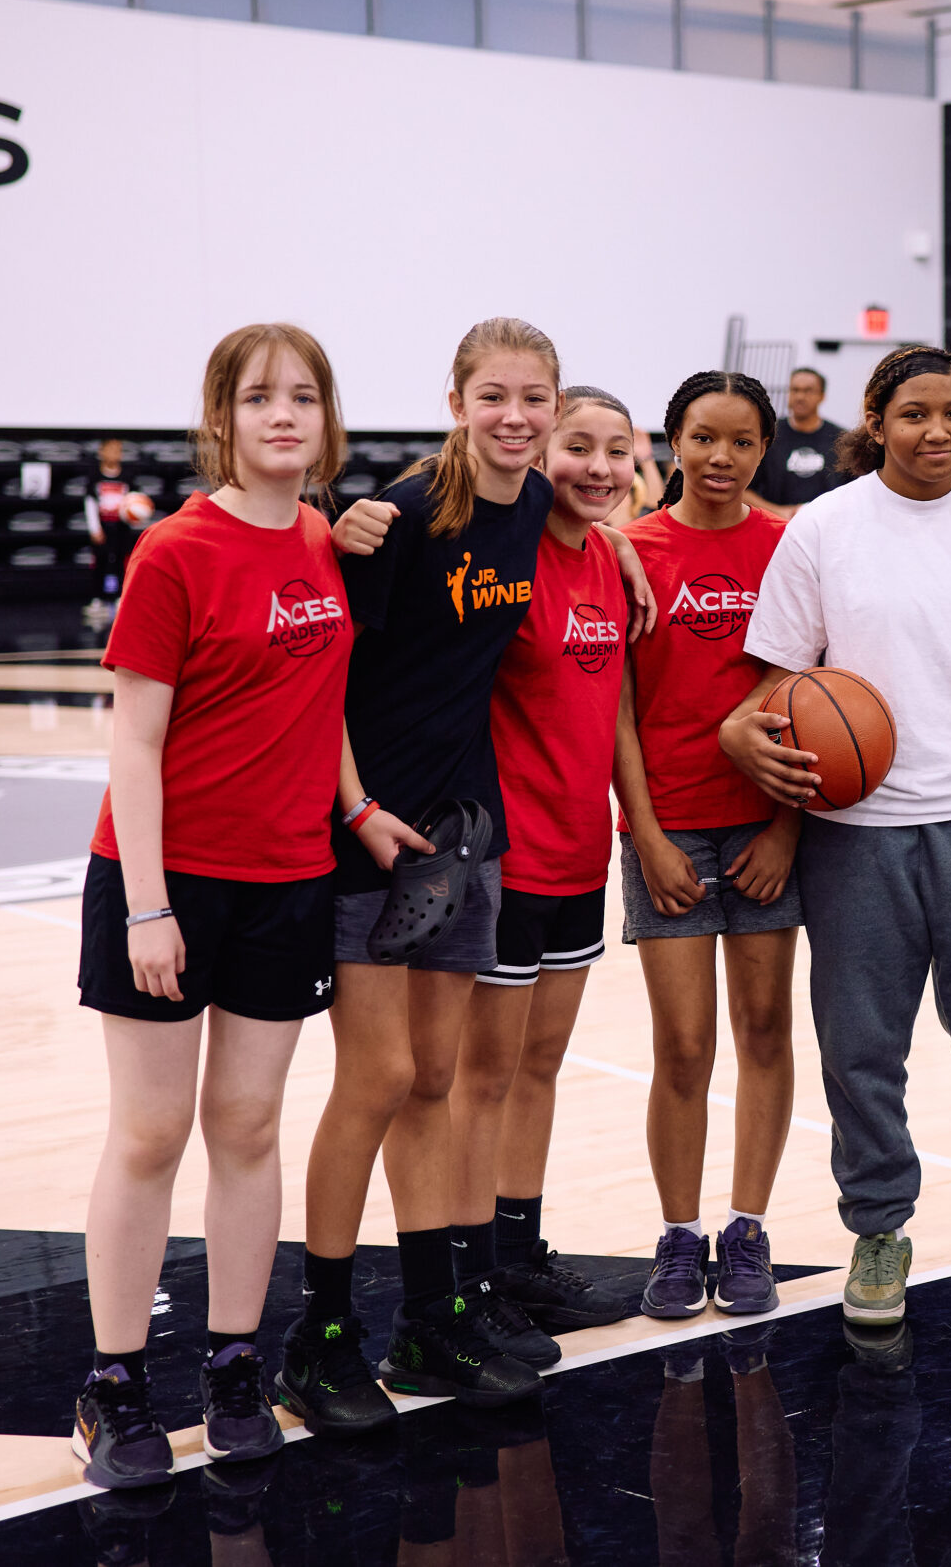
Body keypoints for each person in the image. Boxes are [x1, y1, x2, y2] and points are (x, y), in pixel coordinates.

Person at [280, 318, 585, 1431]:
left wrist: (634, 546)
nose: (517, 417)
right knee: (374, 1077)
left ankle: (427, 1315)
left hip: (467, 834)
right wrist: (355, 809)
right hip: (370, 835)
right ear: (456, 399)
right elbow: (322, 674)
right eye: (495, 395)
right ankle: (317, 1335)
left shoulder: (540, 504)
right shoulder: (400, 519)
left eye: (535, 398)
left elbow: (601, 529)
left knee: (433, 1077)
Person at [721, 344, 951, 1327]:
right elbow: (779, 689)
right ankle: (878, 1230)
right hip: (854, 837)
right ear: (875, 420)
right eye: (915, 412)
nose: (938, 431)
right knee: (861, 1050)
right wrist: (749, 751)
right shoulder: (823, 530)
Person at [68, 323, 355, 1489]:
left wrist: (360, 805)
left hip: (289, 878)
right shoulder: (175, 553)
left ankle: (235, 1367)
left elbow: (320, 697)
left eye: (303, 397)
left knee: (246, 1128)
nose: (282, 415)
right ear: (221, 420)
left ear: (326, 421)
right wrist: (147, 908)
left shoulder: (328, 541)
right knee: (150, 1133)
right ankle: (115, 1382)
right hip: (165, 881)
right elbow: (132, 745)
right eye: (258, 398)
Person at [441, 385, 645, 1343]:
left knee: (541, 1068)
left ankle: (517, 1256)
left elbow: (615, 718)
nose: (597, 468)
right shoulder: (503, 558)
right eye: (578, 447)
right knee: (482, 1076)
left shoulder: (609, 557)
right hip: (506, 857)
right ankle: (467, 1273)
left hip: (580, 851)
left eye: (617, 450)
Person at [615, 372, 804, 1319]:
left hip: (766, 823)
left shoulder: (789, 545)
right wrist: (644, 834)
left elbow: (811, 689)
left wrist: (783, 826)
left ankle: (747, 1229)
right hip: (671, 826)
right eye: (702, 439)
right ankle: (680, 1234)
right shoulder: (633, 550)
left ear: (763, 448)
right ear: (672, 443)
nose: (720, 458)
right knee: (683, 1047)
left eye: (739, 442)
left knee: (765, 1033)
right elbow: (615, 707)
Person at [746, 366, 849, 519]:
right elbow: (744, 492)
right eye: (795, 390)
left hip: (827, 527)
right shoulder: (767, 436)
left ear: (821, 396)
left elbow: (855, 492)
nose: (800, 396)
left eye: (808, 391)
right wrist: (780, 512)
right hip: (777, 526)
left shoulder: (841, 440)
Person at [84, 436, 145, 624]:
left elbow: (136, 501)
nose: (114, 454)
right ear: (101, 452)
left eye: (118, 450)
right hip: (102, 526)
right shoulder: (94, 477)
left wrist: (135, 515)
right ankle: (97, 599)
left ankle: (120, 597)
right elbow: (89, 503)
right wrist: (94, 528)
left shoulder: (127, 477)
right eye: (109, 450)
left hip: (121, 527)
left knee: (121, 562)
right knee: (100, 563)